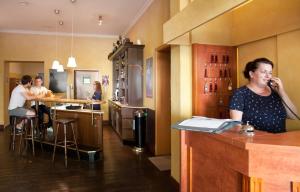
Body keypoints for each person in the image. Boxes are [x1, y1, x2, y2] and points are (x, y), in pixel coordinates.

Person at [229, 58, 298, 133]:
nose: (268, 76)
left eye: (270, 73)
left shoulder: (276, 91)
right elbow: (236, 125)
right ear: (251, 74)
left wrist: (281, 91)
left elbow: (293, 116)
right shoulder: (240, 94)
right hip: (256, 141)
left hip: (280, 141)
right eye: (264, 72)